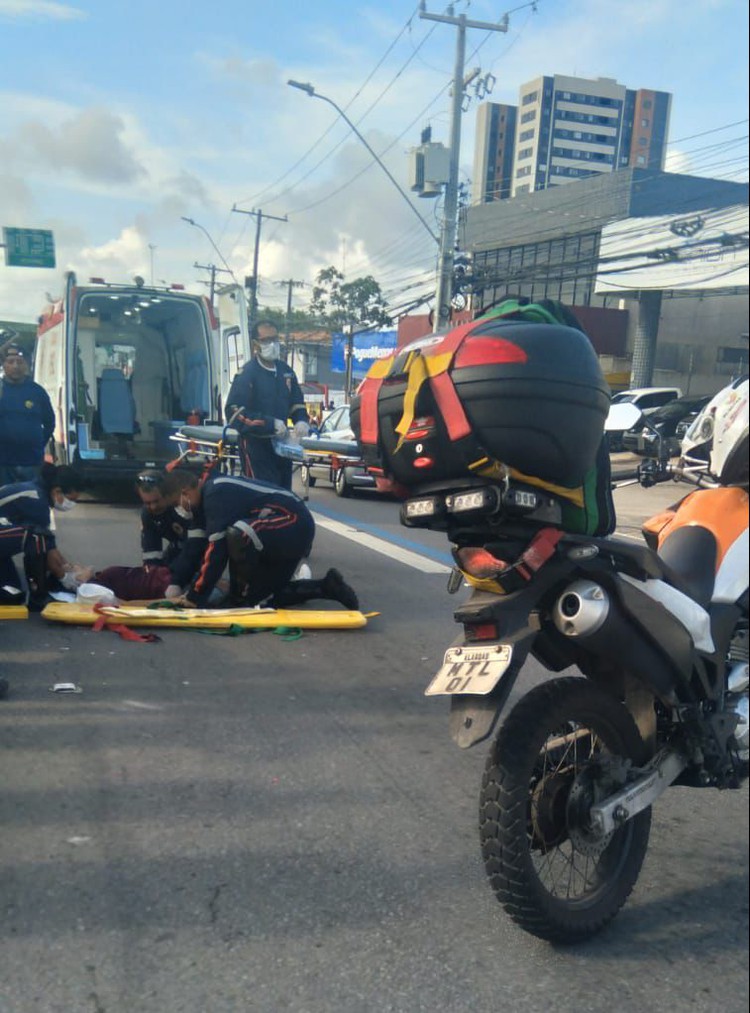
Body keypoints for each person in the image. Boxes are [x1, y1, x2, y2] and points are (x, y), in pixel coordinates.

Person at [168, 470, 359, 610]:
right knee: (262, 598)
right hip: (279, 534)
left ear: (185, 492)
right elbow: (193, 549)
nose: (180, 508)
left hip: (294, 523)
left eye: (177, 503)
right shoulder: (201, 506)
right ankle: (327, 587)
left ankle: (237, 599)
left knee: (240, 533)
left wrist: (195, 596)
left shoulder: (214, 492)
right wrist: (175, 583)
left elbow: (216, 552)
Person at [92, 469, 208, 601]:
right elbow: (151, 552)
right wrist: (153, 580)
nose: (153, 507)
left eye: (156, 501)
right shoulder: (147, 514)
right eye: (147, 503)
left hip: (199, 550)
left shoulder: (183, 506)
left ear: (166, 494)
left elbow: (194, 549)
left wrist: (177, 580)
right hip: (177, 549)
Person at [225, 321, 309, 489]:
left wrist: (301, 420)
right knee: (262, 494)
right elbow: (234, 413)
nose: (272, 344)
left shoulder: (286, 372)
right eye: (267, 340)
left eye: (275, 339)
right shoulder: (248, 374)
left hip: (282, 446)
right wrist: (269, 424)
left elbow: (296, 403)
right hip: (256, 447)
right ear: (256, 344)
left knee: (283, 494)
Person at [0, 463, 86, 609]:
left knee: (12, 594)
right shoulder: (36, 500)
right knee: (35, 536)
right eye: (71, 499)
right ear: (57, 491)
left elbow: (49, 545)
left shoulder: (34, 492)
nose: (71, 504)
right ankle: (38, 596)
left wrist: (66, 567)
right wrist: (65, 578)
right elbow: (45, 546)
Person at [0, 342, 56, 486]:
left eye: (19, 362)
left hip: (31, 462)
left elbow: (50, 422)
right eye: (10, 362)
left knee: (31, 503)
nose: (15, 366)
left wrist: (37, 443)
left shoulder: (37, 392)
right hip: (3, 463)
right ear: (4, 365)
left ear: (26, 365)